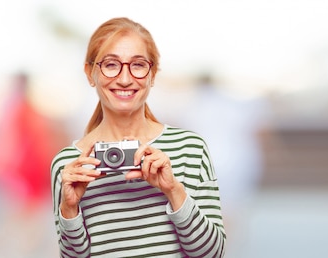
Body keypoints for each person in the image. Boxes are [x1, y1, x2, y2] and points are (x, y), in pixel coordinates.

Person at [50, 17, 226, 257]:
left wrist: (173, 190)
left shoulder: (190, 149)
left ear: (152, 74)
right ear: (90, 73)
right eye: (111, 65)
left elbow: (212, 254)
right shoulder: (69, 164)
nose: (124, 79)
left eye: (138, 65)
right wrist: (69, 208)